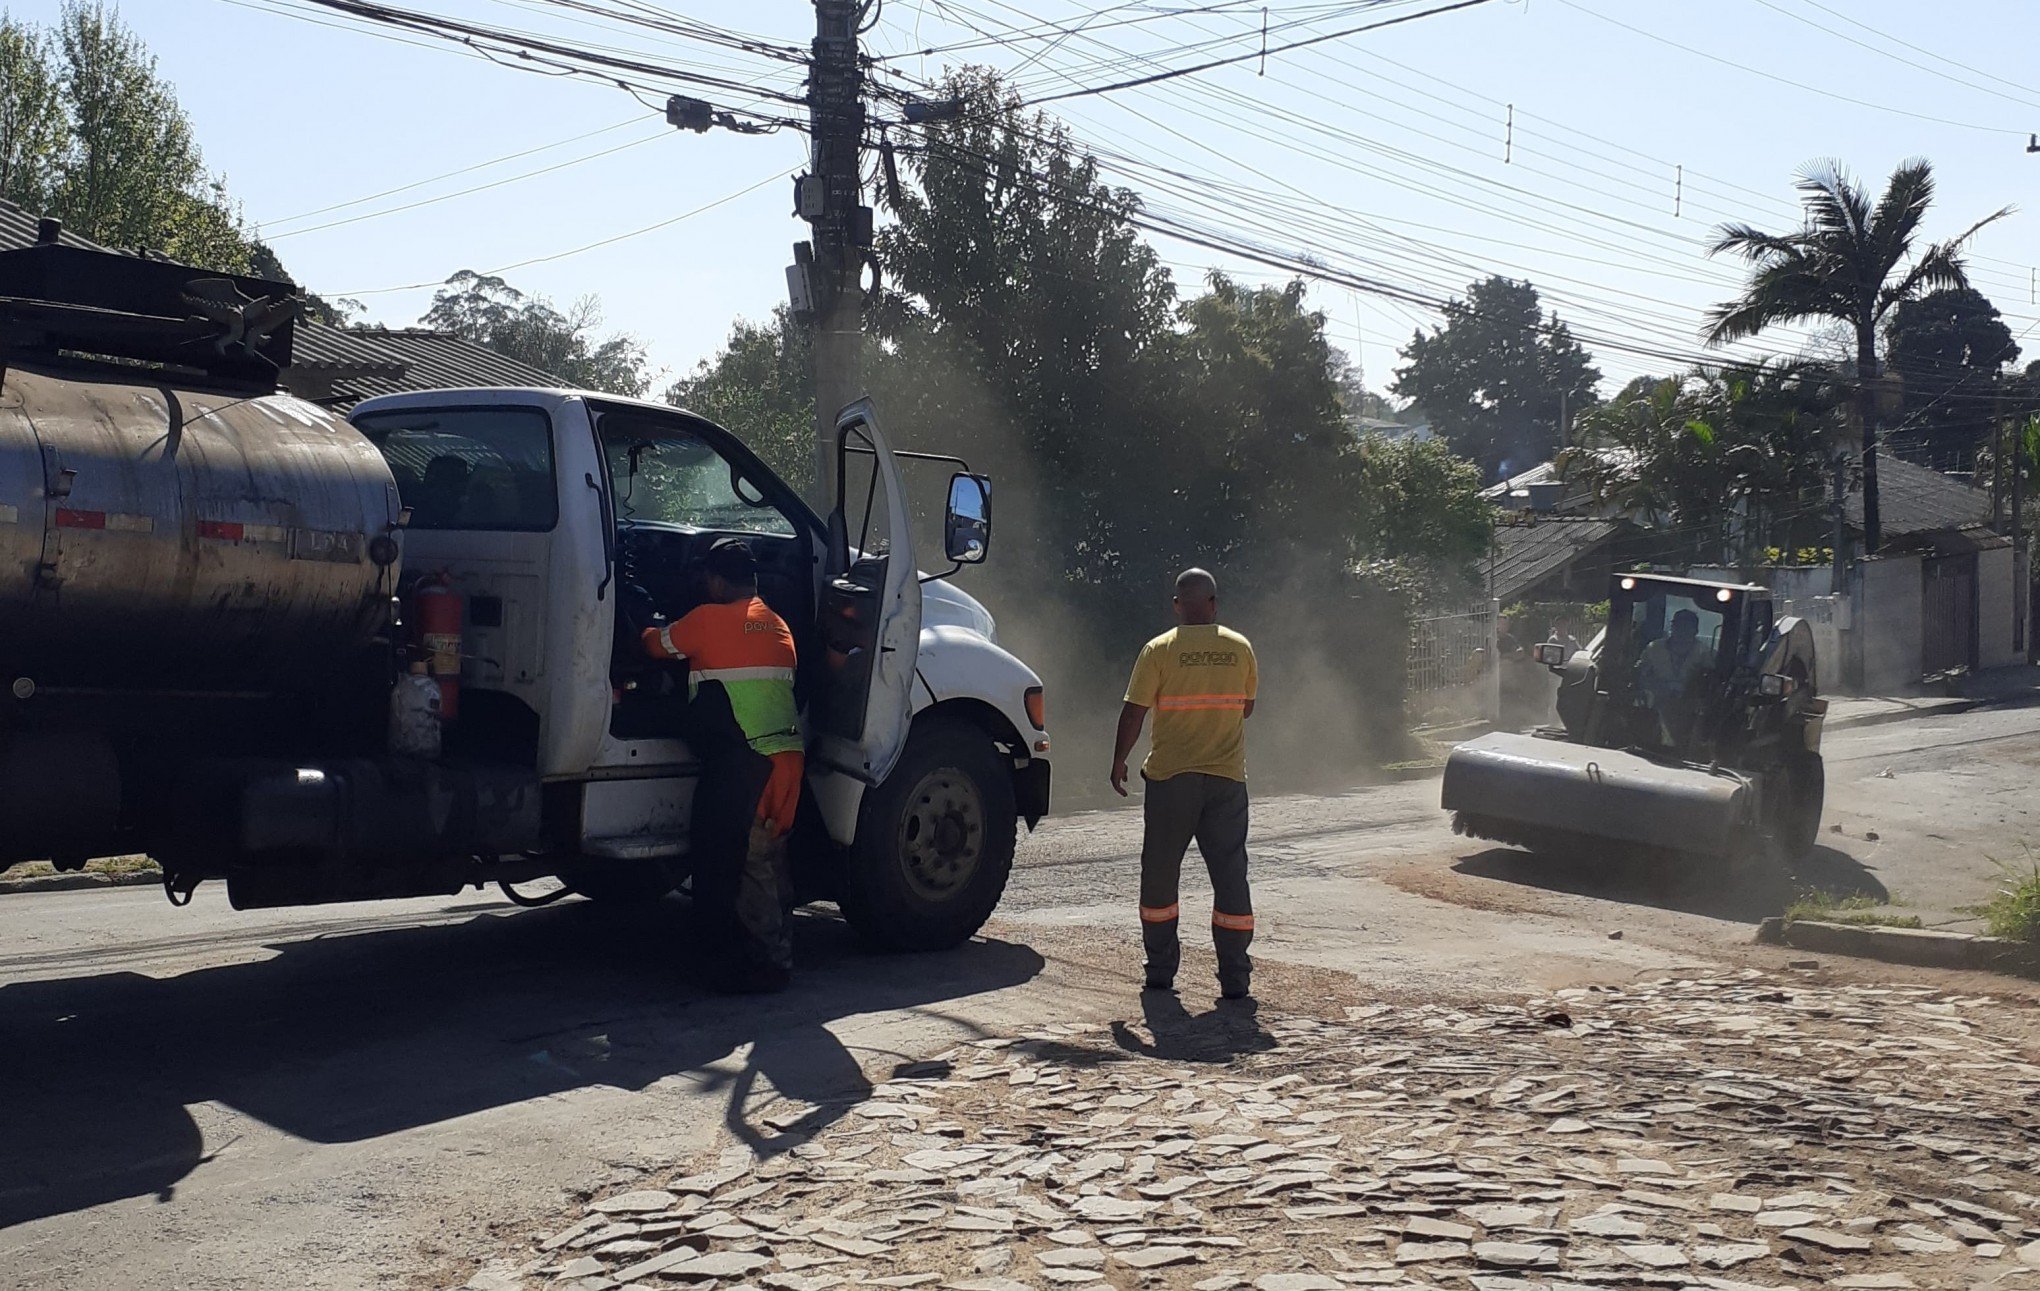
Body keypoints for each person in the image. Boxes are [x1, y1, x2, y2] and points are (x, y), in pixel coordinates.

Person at [642, 537, 802, 993]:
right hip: (787, 762)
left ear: (714, 580)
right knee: (771, 863)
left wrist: (644, 621)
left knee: (739, 865)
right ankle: (780, 952)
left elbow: (656, 647)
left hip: (745, 761)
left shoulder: (708, 619)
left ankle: (762, 967)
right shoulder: (777, 624)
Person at [1110, 568, 1259, 1001]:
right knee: (1231, 877)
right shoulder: (1240, 648)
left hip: (1171, 782)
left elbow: (1134, 712)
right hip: (1228, 781)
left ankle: (1160, 972)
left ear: (1177, 604)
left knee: (1159, 875)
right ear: (1213, 604)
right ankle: (1235, 977)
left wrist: (1119, 760)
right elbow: (1246, 708)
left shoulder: (1159, 650)